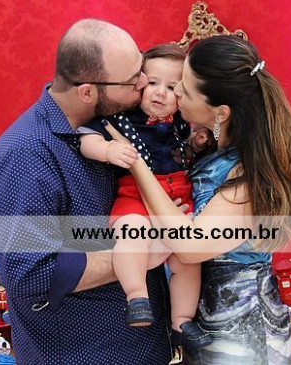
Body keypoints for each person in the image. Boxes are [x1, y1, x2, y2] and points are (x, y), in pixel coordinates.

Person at [103, 35, 291, 364]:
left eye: (185, 89)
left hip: (243, 332)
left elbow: (190, 246)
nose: (175, 92)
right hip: (212, 322)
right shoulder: (209, 147)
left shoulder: (246, 175)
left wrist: (137, 164)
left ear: (220, 112)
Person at [0, 19, 174, 364]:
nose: (144, 83)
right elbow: (30, 274)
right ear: (87, 92)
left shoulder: (116, 121)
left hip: (145, 349)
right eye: (133, 79)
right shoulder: (25, 153)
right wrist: (140, 252)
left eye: (141, 68)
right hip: (88, 354)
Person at [78, 43, 211, 347]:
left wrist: (196, 143)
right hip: (134, 197)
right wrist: (108, 150)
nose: (160, 93)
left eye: (172, 87)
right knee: (132, 233)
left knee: (189, 259)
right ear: (138, 82)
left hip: (177, 201)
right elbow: (84, 138)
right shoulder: (120, 116)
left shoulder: (180, 122)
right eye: (152, 83)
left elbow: (184, 152)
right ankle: (137, 295)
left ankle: (182, 321)